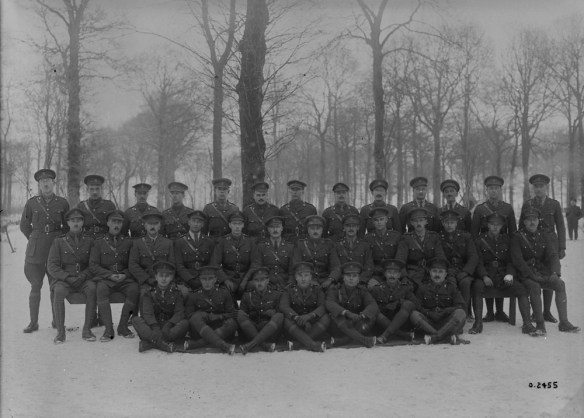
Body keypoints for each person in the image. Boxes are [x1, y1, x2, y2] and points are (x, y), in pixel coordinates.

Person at [511, 207, 580, 335]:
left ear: (538, 221)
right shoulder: (517, 237)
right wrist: (532, 275)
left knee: (560, 284)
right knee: (534, 286)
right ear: (524, 222)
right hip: (525, 275)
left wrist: (555, 273)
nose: (532, 222)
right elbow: (517, 260)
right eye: (529, 220)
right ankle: (540, 324)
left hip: (542, 273)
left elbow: (553, 255)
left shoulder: (544, 235)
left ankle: (564, 322)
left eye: (535, 219)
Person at [20, 168, 69, 333]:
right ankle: (33, 322)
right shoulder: (31, 203)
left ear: (53, 183)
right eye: (42, 181)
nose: (46, 183)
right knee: (35, 286)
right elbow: (24, 225)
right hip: (36, 252)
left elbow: (68, 226)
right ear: (39, 185)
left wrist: (59, 241)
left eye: (49, 180)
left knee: (54, 285)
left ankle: (57, 320)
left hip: (55, 249)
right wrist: (35, 238)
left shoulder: (62, 203)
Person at [471, 212, 536, 335]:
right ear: (487, 225)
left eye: (498, 225)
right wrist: (484, 276)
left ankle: (527, 323)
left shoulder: (507, 239)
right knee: (477, 287)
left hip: (502, 274)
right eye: (492, 224)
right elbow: (478, 262)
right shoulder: (480, 241)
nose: (495, 227)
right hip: (487, 274)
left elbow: (511, 260)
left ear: (502, 226)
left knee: (521, 289)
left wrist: (510, 274)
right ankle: (478, 323)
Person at [520, 174, 567, 324]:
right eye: (536, 187)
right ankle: (537, 312)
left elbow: (560, 226)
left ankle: (547, 311)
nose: (538, 189)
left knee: (551, 275)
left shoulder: (554, 204)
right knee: (535, 275)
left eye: (541, 186)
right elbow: (522, 226)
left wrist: (561, 247)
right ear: (533, 188)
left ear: (546, 187)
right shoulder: (528, 204)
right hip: (533, 244)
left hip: (551, 244)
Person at [471, 175, 517, 323]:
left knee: (501, 274)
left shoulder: (507, 208)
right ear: (487, 190)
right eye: (490, 188)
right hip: (485, 248)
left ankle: (500, 311)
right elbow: (474, 233)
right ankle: (490, 312)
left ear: (500, 190)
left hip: (503, 247)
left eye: (496, 188)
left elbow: (512, 231)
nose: (493, 191)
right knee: (489, 274)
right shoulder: (480, 209)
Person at [89, 209, 139, 341]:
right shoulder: (99, 242)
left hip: (124, 278)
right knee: (101, 289)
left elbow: (133, 264)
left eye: (119, 222)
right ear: (107, 223)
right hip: (106, 279)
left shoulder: (129, 242)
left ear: (122, 224)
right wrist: (109, 275)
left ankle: (122, 326)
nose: (116, 225)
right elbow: (93, 265)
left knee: (134, 289)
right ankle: (108, 328)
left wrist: (124, 274)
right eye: (113, 221)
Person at [47, 208, 96, 344]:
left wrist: (83, 276)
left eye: (79, 220)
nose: (76, 223)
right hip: (65, 280)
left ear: (83, 223)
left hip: (83, 278)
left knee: (92, 289)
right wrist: (67, 277)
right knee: (58, 291)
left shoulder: (90, 241)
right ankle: (60, 333)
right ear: (67, 223)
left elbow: (94, 264)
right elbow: (52, 266)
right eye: (73, 221)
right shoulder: (59, 242)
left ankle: (87, 330)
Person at [131, 261, 189, 353]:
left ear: (171, 278)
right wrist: (155, 327)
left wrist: (169, 324)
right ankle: (164, 344)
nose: (164, 279)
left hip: (169, 326)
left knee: (185, 323)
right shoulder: (148, 293)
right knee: (135, 320)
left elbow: (179, 312)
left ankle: (150, 343)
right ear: (156, 277)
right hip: (153, 324)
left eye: (167, 276)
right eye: (161, 275)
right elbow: (147, 313)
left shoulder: (177, 293)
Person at [409, 258, 468, 345]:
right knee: (414, 314)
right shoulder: (423, 288)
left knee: (461, 313)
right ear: (430, 273)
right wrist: (429, 313)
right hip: (429, 323)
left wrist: (447, 311)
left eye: (440, 272)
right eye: (434, 271)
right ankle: (445, 336)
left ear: (445, 274)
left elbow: (461, 306)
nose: (437, 274)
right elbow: (418, 307)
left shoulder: (452, 287)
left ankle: (435, 337)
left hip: (447, 322)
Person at [184, 266, 237, 354]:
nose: (207, 282)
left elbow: (231, 313)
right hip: (201, 329)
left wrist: (218, 317)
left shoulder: (224, 292)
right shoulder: (193, 295)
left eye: (210, 278)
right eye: (204, 279)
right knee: (195, 317)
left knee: (232, 323)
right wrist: (205, 316)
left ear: (215, 279)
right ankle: (223, 345)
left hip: (220, 327)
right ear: (200, 280)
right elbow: (189, 316)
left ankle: (198, 344)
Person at [325, 262, 378, 348]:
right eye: (348, 276)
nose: (351, 279)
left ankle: (343, 341)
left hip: (356, 324)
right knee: (336, 316)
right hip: (339, 326)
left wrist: (362, 315)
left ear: (358, 279)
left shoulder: (362, 290)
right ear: (343, 278)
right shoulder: (335, 289)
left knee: (372, 316)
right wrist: (346, 312)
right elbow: (329, 303)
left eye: (354, 276)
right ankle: (364, 340)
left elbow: (372, 304)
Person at [279, 262, 328, 352]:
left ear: (311, 277)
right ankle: (313, 345)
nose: (303, 279)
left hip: (313, 324)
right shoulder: (289, 289)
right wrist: (296, 317)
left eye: (306, 275)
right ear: (295, 277)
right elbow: (283, 306)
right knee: (285, 319)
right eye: (300, 275)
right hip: (296, 323)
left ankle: (298, 343)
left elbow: (323, 306)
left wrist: (310, 316)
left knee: (326, 317)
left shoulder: (317, 289)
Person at [438, 209, 478, 319]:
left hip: (463, 269)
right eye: (446, 222)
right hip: (447, 270)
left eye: (452, 222)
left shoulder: (466, 237)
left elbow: (473, 256)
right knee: (450, 283)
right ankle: (450, 313)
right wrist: (447, 271)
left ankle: (465, 313)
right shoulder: (438, 238)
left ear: (456, 223)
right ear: (442, 223)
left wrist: (466, 271)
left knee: (465, 283)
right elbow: (440, 257)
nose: (449, 225)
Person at [396, 207, 446, 290]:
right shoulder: (406, 238)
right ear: (411, 223)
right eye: (415, 221)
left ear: (426, 221)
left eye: (421, 220)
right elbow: (400, 260)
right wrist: (404, 277)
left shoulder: (434, 237)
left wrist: (438, 274)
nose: (418, 223)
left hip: (431, 274)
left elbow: (440, 258)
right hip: (412, 274)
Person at [237, 267, 284, 354]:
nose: (259, 283)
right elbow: (243, 315)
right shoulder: (247, 296)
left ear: (268, 280)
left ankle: (251, 345)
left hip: (269, 330)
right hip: (253, 329)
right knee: (239, 313)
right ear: (253, 282)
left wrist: (273, 313)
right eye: (256, 280)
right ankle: (265, 345)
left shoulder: (277, 294)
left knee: (279, 316)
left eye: (262, 280)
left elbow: (280, 314)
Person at [371, 259, 418, 343]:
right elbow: (371, 307)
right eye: (389, 272)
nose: (392, 275)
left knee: (408, 304)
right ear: (385, 274)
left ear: (399, 275)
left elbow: (416, 305)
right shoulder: (377, 289)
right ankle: (403, 334)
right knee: (375, 312)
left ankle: (385, 336)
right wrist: (386, 307)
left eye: (395, 273)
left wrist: (400, 302)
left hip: (402, 322)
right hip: (383, 322)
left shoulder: (405, 288)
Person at [128, 212, 175, 292]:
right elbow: (133, 265)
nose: (152, 226)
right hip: (145, 282)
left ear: (160, 226)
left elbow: (172, 264)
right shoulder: (137, 243)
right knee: (143, 295)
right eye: (149, 224)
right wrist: (147, 279)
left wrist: (164, 279)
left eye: (156, 224)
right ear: (145, 226)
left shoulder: (168, 243)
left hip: (165, 281)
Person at [210, 211, 255, 295]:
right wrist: (225, 280)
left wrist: (245, 280)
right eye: (234, 224)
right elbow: (215, 264)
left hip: (245, 278)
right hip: (228, 278)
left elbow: (254, 264)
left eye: (239, 224)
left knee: (253, 287)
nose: (237, 227)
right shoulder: (222, 241)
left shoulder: (250, 242)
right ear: (230, 225)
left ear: (243, 225)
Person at [293, 215, 341, 290]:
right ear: (308, 230)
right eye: (312, 228)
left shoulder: (329, 244)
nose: (315, 231)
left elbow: (336, 266)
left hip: (325, 280)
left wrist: (330, 280)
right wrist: (309, 280)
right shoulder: (300, 244)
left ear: (322, 230)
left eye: (318, 228)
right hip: (305, 280)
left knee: (332, 292)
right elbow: (297, 265)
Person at [248, 216, 295, 292]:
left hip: (284, 284)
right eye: (272, 227)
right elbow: (256, 267)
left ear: (282, 228)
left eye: (277, 227)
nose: (275, 230)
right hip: (266, 284)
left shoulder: (290, 247)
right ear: (268, 229)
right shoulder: (261, 246)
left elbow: (292, 271)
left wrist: (290, 284)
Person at [174, 210, 215, 294]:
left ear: (203, 224)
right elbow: (179, 265)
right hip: (186, 281)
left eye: (199, 222)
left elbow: (212, 263)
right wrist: (190, 279)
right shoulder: (180, 242)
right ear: (189, 222)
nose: (196, 224)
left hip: (205, 280)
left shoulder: (209, 242)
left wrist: (204, 278)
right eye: (193, 221)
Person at [363, 207, 401, 286]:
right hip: (376, 272)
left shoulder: (396, 236)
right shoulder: (368, 238)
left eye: (381, 219)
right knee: (371, 286)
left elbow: (399, 258)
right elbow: (368, 260)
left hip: (392, 270)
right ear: (373, 222)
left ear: (386, 220)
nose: (379, 222)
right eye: (376, 220)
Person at [335, 214, 374, 286]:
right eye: (348, 226)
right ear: (344, 228)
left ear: (358, 227)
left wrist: (360, 280)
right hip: (342, 281)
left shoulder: (365, 246)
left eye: (354, 226)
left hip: (360, 281)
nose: (351, 228)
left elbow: (369, 266)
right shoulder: (337, 245)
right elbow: (336, 266)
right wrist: (343, 280)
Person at [77, 174, 117, 240]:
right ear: (87, 190)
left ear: (101, 189)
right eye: (92, 189)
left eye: (97, 189)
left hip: (104, 239)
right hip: (86, 240)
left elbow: (115, 225)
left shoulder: (109, 205)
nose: (95, 192)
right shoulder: (81, 206)